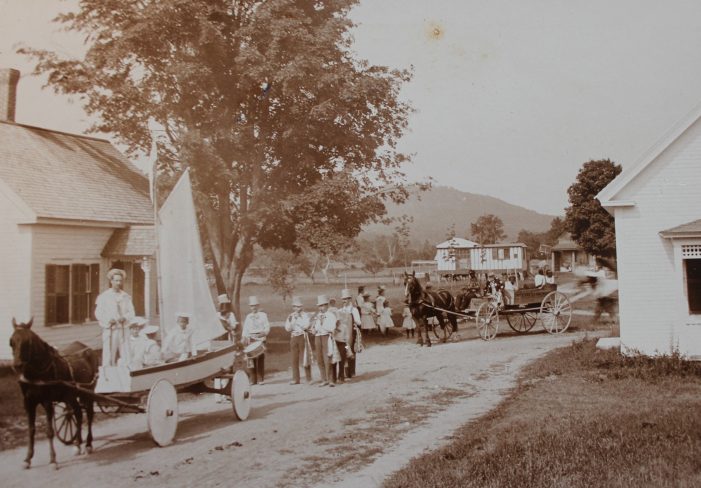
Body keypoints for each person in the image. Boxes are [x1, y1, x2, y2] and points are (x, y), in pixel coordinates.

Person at [95, 268, 136, 368]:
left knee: (126, 352)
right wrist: (108, 320)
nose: (118, 283)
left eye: (120, 281)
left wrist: (125, 317)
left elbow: (131, 312)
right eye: (116, 280)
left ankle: (128, 373)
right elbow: (98, 313)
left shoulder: (125, 296)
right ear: (111, 281)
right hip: (111, 330)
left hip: (123, 329)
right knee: (109, 354)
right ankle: (108, 376)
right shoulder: (104, 297)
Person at [242, 296, 270, 385]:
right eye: (251, 306)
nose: (253, 308)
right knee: (251, 360)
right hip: (251, 339)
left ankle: (260, 378)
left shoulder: (263, 315)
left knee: (260, 358)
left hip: (260, 338)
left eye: (255, 306)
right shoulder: (248, 316)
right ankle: (253, 379)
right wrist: (244, 338)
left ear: (258, 306)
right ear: (250, 307)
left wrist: (264, 333)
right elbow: (245, 329)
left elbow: (267, 327)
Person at [284, 296, 312, 385]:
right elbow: (287, 328)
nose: (297, 308)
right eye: (295, 307)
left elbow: (306, 326)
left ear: (302, 307)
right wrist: (293, 321)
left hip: (302, 336)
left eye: (299, 307)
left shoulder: (305, 315)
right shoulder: (290, 316)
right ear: (293, 307)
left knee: (305, 357)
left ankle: (309, 378)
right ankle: (296, 378)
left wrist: (298, 320)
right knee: (294, 358)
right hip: (294, 337)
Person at [311, 295, 337, 387]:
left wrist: (323, 327)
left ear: (327, 305)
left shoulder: (330, 315)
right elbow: (314, 328)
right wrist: (313, 329)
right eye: (319, 306)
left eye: (322, 305)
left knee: (327, 358)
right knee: (319, 358)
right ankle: (323, 379)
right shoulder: (317, 316)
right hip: (318, 337)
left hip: (326, 336)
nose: (321, 308)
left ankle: (331, 379)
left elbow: (332, 328)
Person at [339, 289, 361, 379]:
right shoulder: (340, 310)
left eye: (346, 299)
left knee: (351, 350)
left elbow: (359, 322)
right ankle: (346, 371)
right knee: (344, 349)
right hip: (343, 334)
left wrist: (354, 322)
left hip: (351, 332)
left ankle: (352, 371)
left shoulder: (354, 310)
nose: (344, 301)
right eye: (343, 299)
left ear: (349, 299)